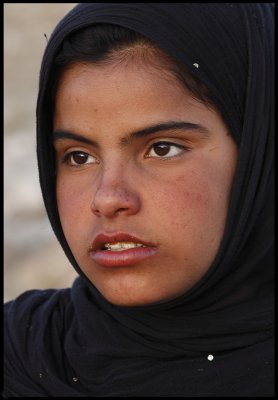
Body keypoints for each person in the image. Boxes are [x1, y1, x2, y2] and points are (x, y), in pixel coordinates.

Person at [3, 3, 274, 397]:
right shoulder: (22, 359)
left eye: (162, 149)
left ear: (258, 155)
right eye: (79, 157)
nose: (108, 198)